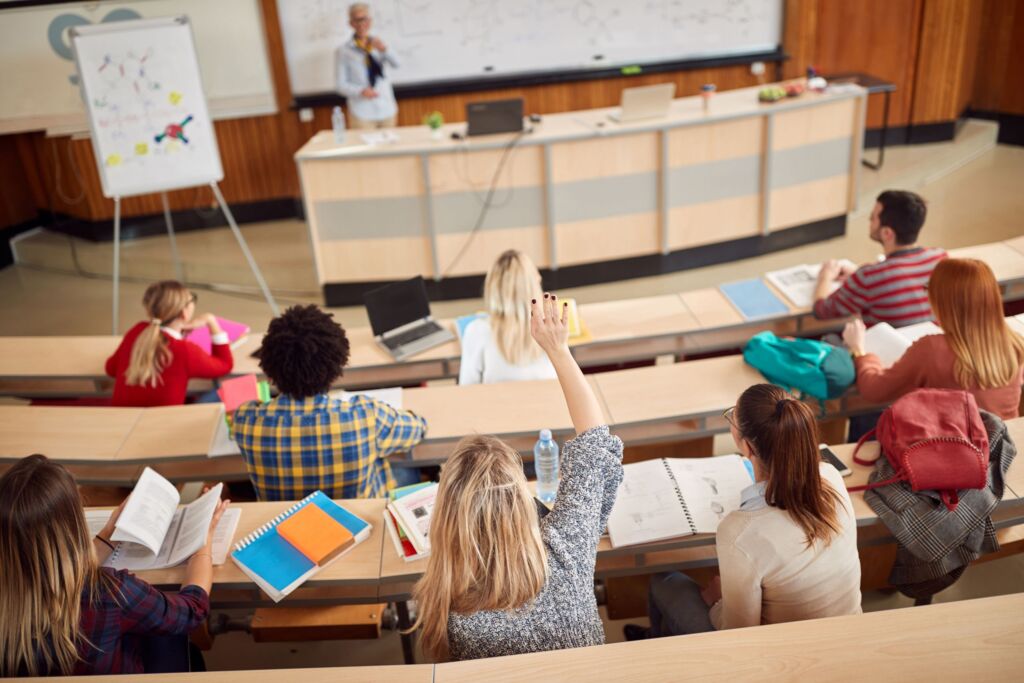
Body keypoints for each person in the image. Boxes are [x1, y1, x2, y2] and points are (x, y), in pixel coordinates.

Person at [411, 293, 624, 661]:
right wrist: (558, 350)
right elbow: (594, 441)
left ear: (448, 518)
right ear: (521, 502)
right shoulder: (566, 551)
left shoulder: (448, 604)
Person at [630, 384, 861, 639]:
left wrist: (718, 601)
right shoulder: (830, 476)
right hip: (849, 632)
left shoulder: (740, 532)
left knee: (664, 582)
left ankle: (659, 648)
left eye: (732, 417)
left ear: (748, 447)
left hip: (785, 654)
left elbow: (738, 634)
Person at [0, 454, 228, 676]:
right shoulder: (111, 593)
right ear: (72, 526)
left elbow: (55, 570)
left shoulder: (13, 599)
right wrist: (202, 542)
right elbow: (192, 610)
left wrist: (109, 534)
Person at [232, 304, 427, 500]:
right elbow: (418, 429)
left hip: (284, 524)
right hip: (359, 521)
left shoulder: (245, 420)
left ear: (268, 366)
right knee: (406, 469)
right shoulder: (366, 415)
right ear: (337, 365)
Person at [843, 258, 1024, 420]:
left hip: (951, 450)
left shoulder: (932, 349)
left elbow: (874, 391)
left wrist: (859, 351)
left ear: (942, 301)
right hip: (1003, 450)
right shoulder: (1016, 344)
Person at [813, 190, 945, 328]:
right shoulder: (940, 258)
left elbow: (822, 311)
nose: (869, 221)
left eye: (873, 218)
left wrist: (825, 277)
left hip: (885, 349)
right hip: (927, 345)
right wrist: (856, 277)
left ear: (887, 233)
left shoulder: (869, 277)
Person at [105, 280, 233, 407]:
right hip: (170, 423)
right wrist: (211, 321)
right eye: (191, 300)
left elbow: (110, 369)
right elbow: (225, 365)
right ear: (184, 313)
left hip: (125, 421)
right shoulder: (185, 350)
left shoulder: (137, 331)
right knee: (242, 386)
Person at [459, 250, 556, 385]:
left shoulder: (476, 331)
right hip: (549, 404)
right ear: (535, 284)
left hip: (495, 405)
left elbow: (467, 387)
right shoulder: (552, 328)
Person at [336, 3, 398, 129]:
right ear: (351, 23)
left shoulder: (379, 44)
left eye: (364, 19)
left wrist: (384, 49)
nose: (361, 23)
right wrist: (361, 91)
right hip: (362, 113)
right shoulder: (343, 51)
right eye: (357, 20)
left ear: (370, 21)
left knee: (390, 148)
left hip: (387, 109)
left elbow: (397, 64)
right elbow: (340, 85)